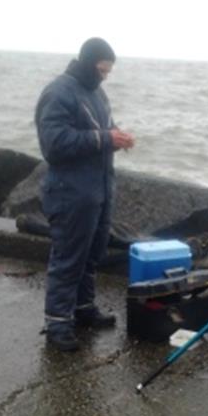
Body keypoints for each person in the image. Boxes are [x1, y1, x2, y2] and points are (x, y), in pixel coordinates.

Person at [35, 37, 135, 351]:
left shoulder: (97, 93)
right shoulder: (58, 92)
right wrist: (105, 138)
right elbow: (54, 143)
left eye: (108, 72)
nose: (104, 77)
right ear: (89, 63)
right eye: (102, 70)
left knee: (92, 254)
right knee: (68, 258)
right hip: (69, 192)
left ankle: (83, 308)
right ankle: (57, 323)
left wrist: (118, 138)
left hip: (99, 190)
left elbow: (104, 130)